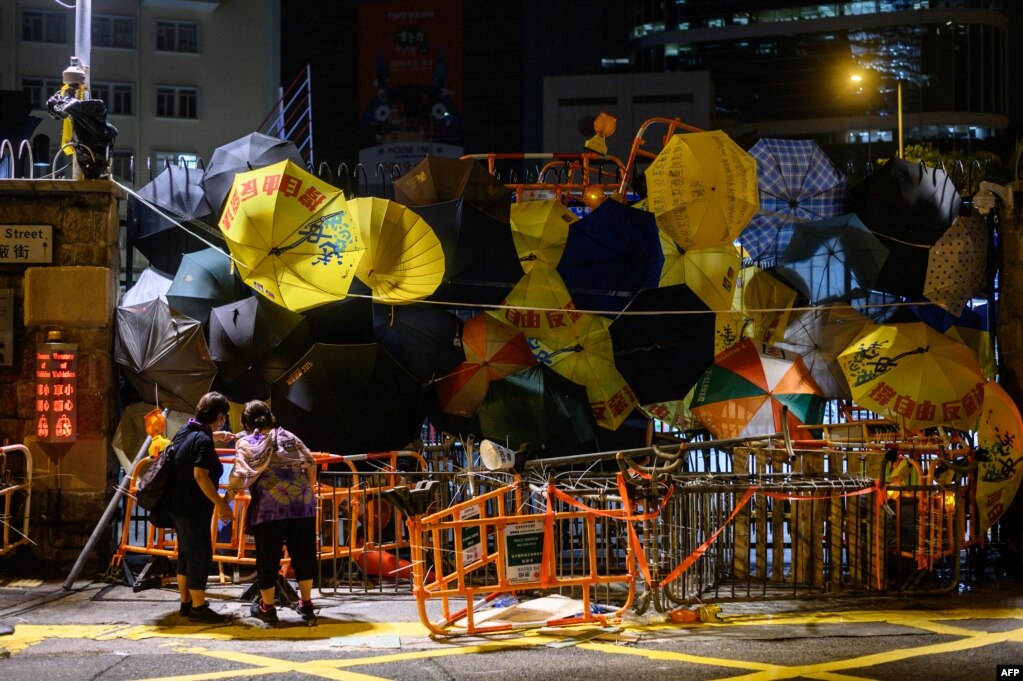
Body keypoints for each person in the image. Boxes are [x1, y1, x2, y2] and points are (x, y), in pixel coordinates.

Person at [223, 400, 318, 624]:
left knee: (268, 557)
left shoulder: (247, 442)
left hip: (269, 507)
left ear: (245, 422)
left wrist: (223, 501)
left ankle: (268, 607)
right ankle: (306, 605)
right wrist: (308, 487)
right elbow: (310, 463)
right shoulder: (288, 436)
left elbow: (238, 475)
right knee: (303, 554)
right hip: (302, 503)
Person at [165, 391, 235, 623]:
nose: (223, 420)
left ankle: (186, 602)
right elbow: (200, 475)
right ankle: (198, 607)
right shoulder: (203, 440)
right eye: (223, 416)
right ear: (219, 416)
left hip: (178, 504)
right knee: (200, 555)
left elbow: (190, 450)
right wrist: (221, 503)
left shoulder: (188, 430)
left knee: (186, 553)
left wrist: (216, 435)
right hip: (193, 507)